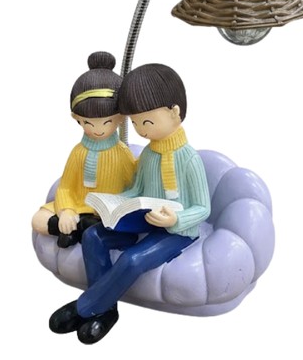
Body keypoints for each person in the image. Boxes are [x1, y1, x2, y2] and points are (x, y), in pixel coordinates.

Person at [49, 62, 211, 342]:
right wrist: (113, 203)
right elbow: (136, 190)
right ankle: (106, 310)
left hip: (177, 232)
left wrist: (176, 219)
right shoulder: (148, 155)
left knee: (133, 259)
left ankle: (86, 307)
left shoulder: (189, 159)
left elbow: (203, 208)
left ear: (174, 112)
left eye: (146, 122)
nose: (141, 130)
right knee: (93, 236)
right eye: (135, 123)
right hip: (145, 218)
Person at [31, 51, 135, 248]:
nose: (98, 129)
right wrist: (66, 211)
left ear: (121, 118)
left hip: (102, 211)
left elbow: (133, 186)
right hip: (76, 206)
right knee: (38, 220)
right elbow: (66, 186)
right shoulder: (78, 152)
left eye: (107, 122)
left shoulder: (122, 153)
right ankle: (77, 228)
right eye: (88, 123)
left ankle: (78, 230)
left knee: (108, 224)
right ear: (76, 118)